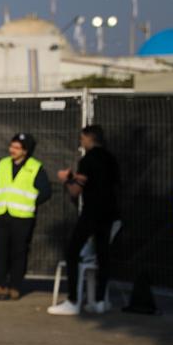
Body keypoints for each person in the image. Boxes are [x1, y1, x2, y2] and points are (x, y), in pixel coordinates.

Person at [48, 124, 121, 315]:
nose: (81, 143)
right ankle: (99, 301)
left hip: (92, 212)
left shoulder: (88, 160)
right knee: (103, 254)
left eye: (82, 139)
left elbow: (76, 189)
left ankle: (73, 300)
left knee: (73, 252)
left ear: (89, 138)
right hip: (110, 212)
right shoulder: (111, 159)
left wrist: (66, 179)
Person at [0, 132, 52, 301]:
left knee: (19, 252)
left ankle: (15, 286)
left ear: (26, 151)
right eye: (12, 146)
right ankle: (0, 286)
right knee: (0, 251)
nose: (12, 150)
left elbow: (45, 191)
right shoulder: (2, 164)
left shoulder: (35, 167)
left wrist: (30, 202)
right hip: (2, 214)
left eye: (17, 147)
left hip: (22, 217)